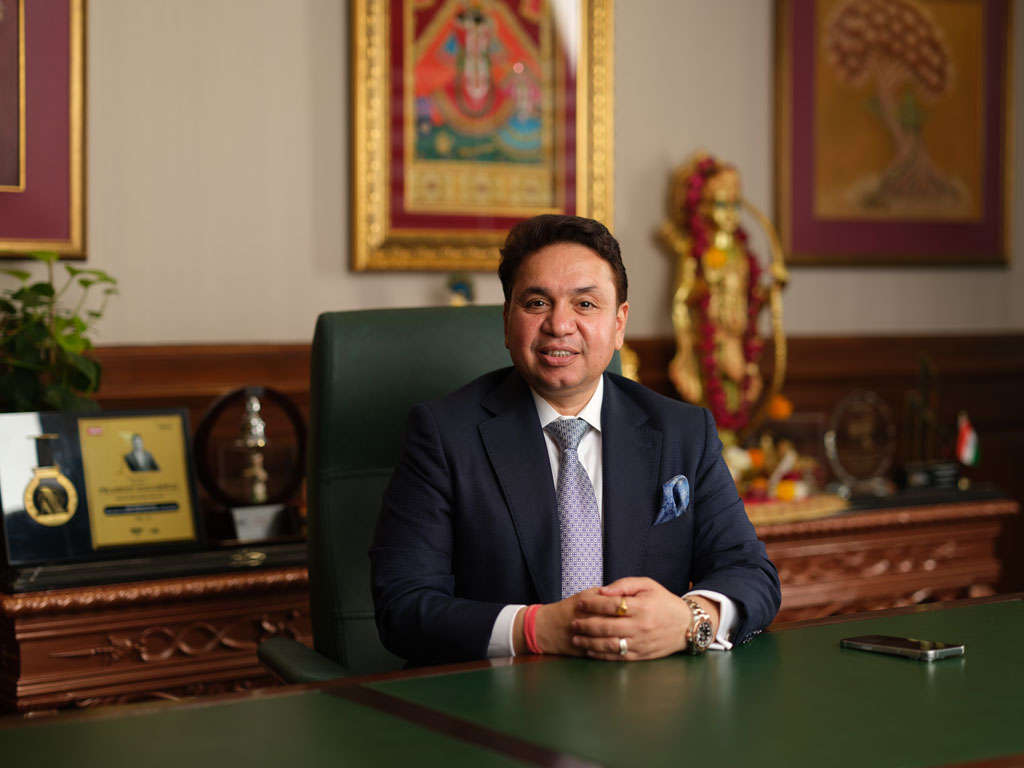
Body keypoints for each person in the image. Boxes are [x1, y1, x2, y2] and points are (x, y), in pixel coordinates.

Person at [371, 214, 780, 666]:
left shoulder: (684, 431)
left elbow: (751, 572)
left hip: (647, 695)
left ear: (619, 324)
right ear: (507, 321)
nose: (559, 325)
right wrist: (537, 628)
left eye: (585, 304)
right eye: (537, 303)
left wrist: (691, 619)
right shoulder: (443, 433)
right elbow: (402, 607)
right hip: (498, 695)